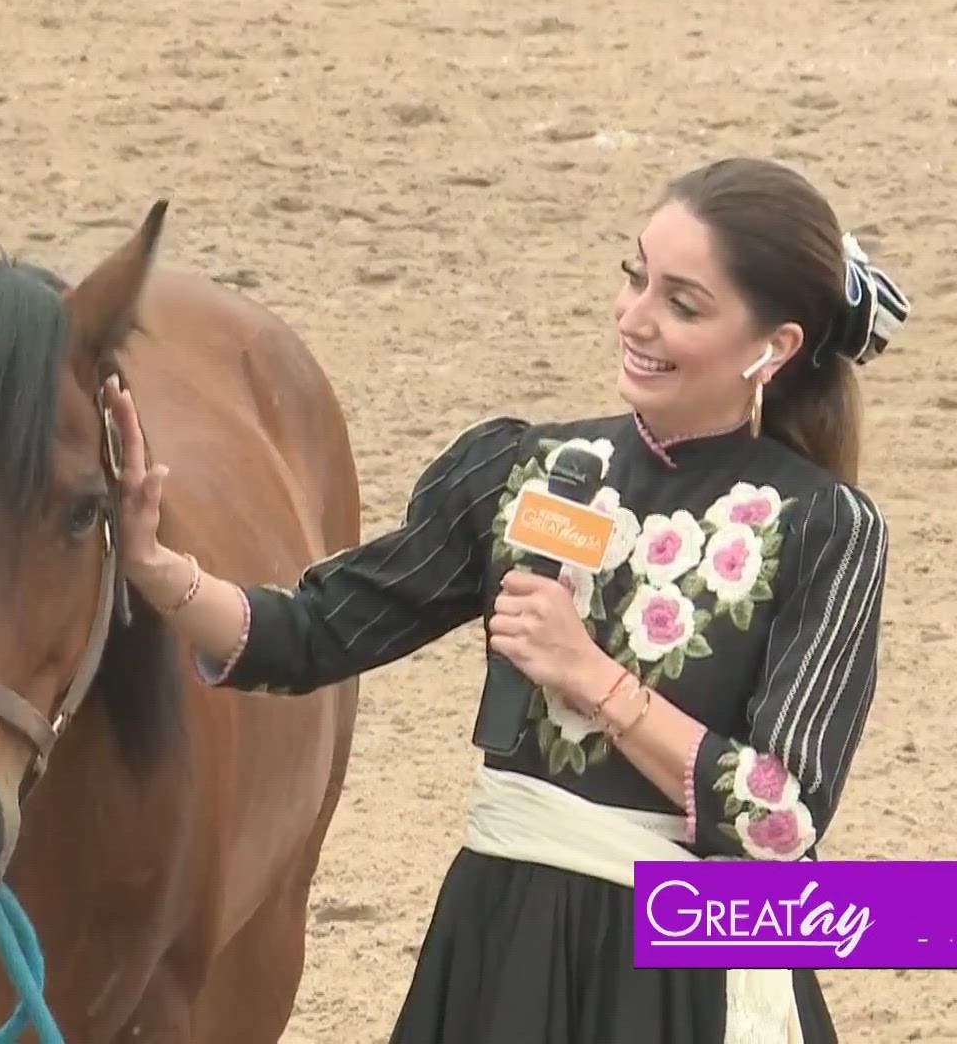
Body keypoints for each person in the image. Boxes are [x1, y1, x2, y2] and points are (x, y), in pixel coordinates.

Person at [104, 156, 906, 1044]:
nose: (634, 318)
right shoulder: (522, 472)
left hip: (688, 971)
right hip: (504, 942)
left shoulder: (825, 527)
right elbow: (310, 632)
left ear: (776, 347)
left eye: (683, 304)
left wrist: (590, 677)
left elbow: (780, 820)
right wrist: (156, 566)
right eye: (635, 276)